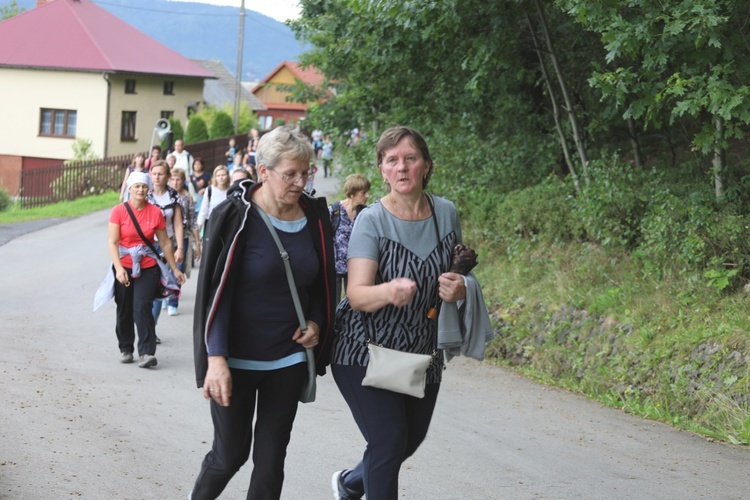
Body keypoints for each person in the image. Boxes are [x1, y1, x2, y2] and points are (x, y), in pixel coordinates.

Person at [190, 126, 336, 500]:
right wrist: (216, 358)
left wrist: (317, 322)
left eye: (306, 172)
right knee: (229, 455)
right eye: (290, 174)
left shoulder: (315, 217)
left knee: (271, 461)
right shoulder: (234, 217)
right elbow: (216, 294)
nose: (300, 182)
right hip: (235, 359)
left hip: (286, 360)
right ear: (263, 171)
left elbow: (319, 284)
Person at [330, 126, 466, 500]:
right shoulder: (371, 220)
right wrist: (388, 291)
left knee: (407, 442)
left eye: (410, 159)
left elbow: (456, 273)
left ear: (426, 165)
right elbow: (356, 295)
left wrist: (461, 288)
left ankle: (350, 483)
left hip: (421, 351)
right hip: (364, 350)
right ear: (382, 170)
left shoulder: (447, 213)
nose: (402, 168)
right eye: (392, 161)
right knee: (389, 442)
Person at [107, 171, 185, 368]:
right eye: (137, 186)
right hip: (124, 264)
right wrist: (118, 268)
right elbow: (113, 242)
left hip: (148, 265)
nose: (140, 190)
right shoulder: (118, 211)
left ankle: (147, 352)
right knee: (124, 308)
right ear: (130, 188)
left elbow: (165, 243)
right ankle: (126, 348)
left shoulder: (155, 212)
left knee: (141, 305)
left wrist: (174, 269)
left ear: (148, 189)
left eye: (144, 186)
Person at [147, 161, 184, 325]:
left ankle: (151, 328)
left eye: (160, 174)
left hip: (166, 246)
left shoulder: (174, 196)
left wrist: (180, 248)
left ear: (168, 176)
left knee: (160, 286)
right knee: (145, 287)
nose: (156, 177)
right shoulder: (145, 194)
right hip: (146, 246)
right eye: (154, 173)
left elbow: (177, 224)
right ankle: (145, 325)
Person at [329, 174, 370, 301]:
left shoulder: (365, 213)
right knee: (332, 303)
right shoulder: (334, 210)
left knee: (352, 303)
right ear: (352, 194)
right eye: (363, 192)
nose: (367, 196)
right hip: (334, 267)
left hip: (355, 268)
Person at [167, 167, 201, 316]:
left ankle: (173, 302)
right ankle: (163, 295)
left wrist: (197, 243)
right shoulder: (164, 196)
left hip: (183, 237)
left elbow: (193, 221)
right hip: (166, 237)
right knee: (164, 267)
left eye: (178, 179)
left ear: (183, 181)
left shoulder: (187, 198)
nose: (175, 182)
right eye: (173, 179)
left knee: (177, 268)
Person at [196, 165, 230, 236]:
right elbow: (204, 208)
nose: (221, 178)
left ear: (227, 176)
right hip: (211, 222)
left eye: (223, 175)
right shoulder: (210, 190)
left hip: (226, 223)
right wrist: (199, 224)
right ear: (215, 177)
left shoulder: (231, 191)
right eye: (218, 175)